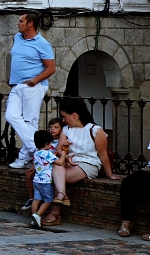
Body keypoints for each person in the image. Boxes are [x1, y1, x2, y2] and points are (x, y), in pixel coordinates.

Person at [41, 97, 114, 226]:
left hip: (88, 163)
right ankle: (62, 196)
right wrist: (66, 155)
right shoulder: (66, 130)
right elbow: (58, 150)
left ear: (74, 115)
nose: (63, 120)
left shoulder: (95, 130)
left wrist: (110, 174)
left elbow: (103, 154)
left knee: (60, 176)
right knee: (57, 165)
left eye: (65, 117)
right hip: (68, 161)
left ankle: (56, 209)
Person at [6, 13, 56, 169]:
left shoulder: (42, 43)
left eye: (21, 21)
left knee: (30, 121)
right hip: (17, 85)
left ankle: (23, 157)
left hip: (33, 86)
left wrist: (35, 80)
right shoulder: (17, 37)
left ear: (30, 24)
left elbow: (51, 68)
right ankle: (38, 150)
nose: (17, 23)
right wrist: (11, 76)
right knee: (10, 115)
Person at [28, 130, 60, 229]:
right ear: (46, 143)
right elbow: (60, 162)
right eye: (50, 143)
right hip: (46, 182)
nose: (51, 145)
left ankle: (34, 217)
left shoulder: (36, 153)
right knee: (49, 200)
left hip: (36, 181)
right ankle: (38, 215)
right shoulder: (47, 153)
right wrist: (62, 155)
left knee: (36, 199)